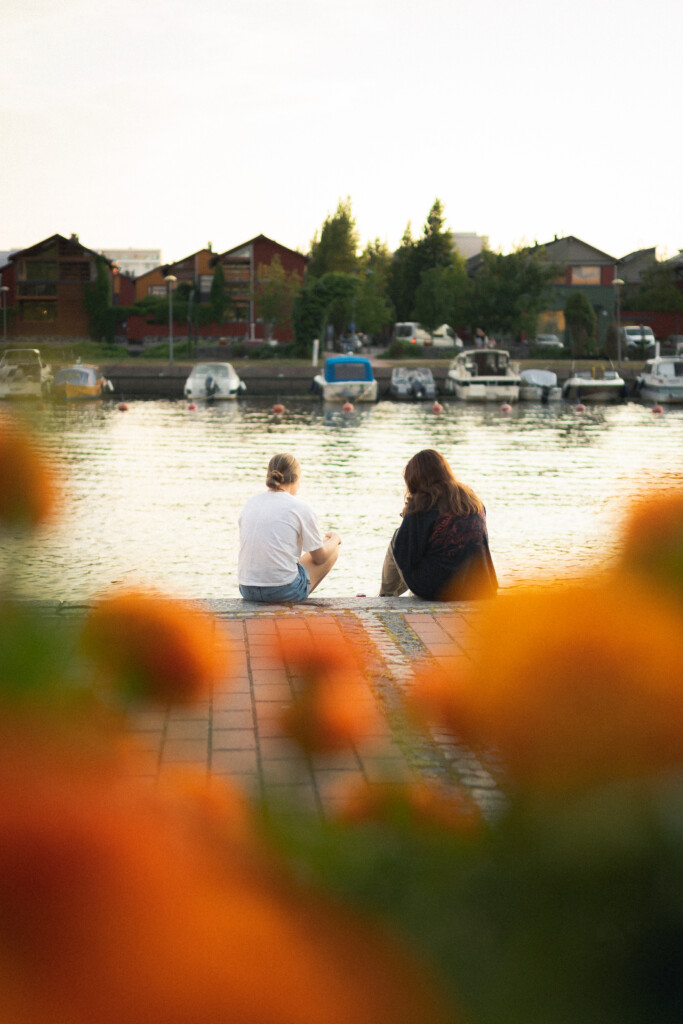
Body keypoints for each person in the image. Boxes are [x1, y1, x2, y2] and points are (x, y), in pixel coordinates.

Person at [379, 449, 497, 601]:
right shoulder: (472, 500)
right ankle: (397, 594)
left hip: (438, 590)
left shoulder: (423, 503)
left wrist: (408, 520)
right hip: (477, 587)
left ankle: (385, 596)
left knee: (398, 536)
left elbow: (404, 553)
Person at [238, 453, 341, 603]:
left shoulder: (251, 503)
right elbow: (320, 558)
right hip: (281, 592)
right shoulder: (300, 507)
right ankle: (295, 602)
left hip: (247, 589)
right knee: (330, 549)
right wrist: (335, 539)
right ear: (296, 479)